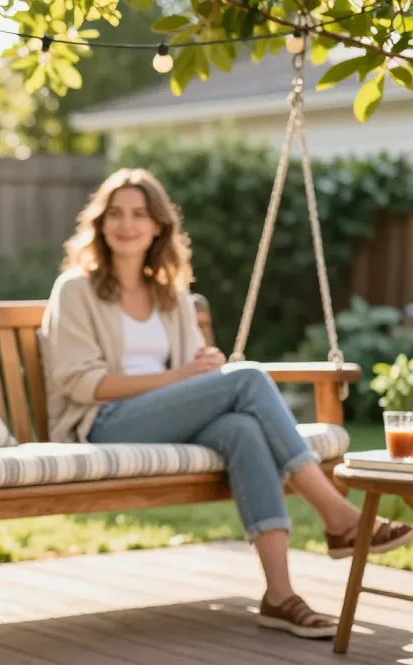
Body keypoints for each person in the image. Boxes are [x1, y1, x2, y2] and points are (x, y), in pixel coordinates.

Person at [39, 167, 413, 640]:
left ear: (158, 226)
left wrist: (206, 367)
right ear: (99, 223)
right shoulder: (75, 289)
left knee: (242, 429)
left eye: (139, 214)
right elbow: (80, 383)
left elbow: (196, 376)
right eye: (115, 214)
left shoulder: (169, 294)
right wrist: (184, 377)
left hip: (166, 417)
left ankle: (280, 595)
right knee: (250, 377)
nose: (126, 224)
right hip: (103, 422)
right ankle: (338, 517)